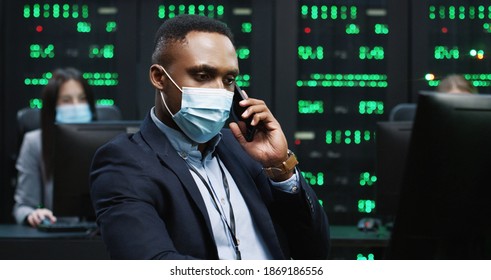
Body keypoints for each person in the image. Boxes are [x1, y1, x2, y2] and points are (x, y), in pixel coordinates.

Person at [90, 14, 330, 260]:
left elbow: (314, 251)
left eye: (228, 80)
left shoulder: (244, 149)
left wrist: (280, 168)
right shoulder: (123, 162)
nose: (219, 91)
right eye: (203, 75)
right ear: (159, 77)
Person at [13, 67, 97, 227]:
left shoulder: (111, 142)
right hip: (57, 235)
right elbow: (22, 207)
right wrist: (33, 214)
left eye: (82, 98)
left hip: (103, 236)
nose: (76, 106)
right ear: (52, 107)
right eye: (66, 100)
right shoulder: (34, 143)